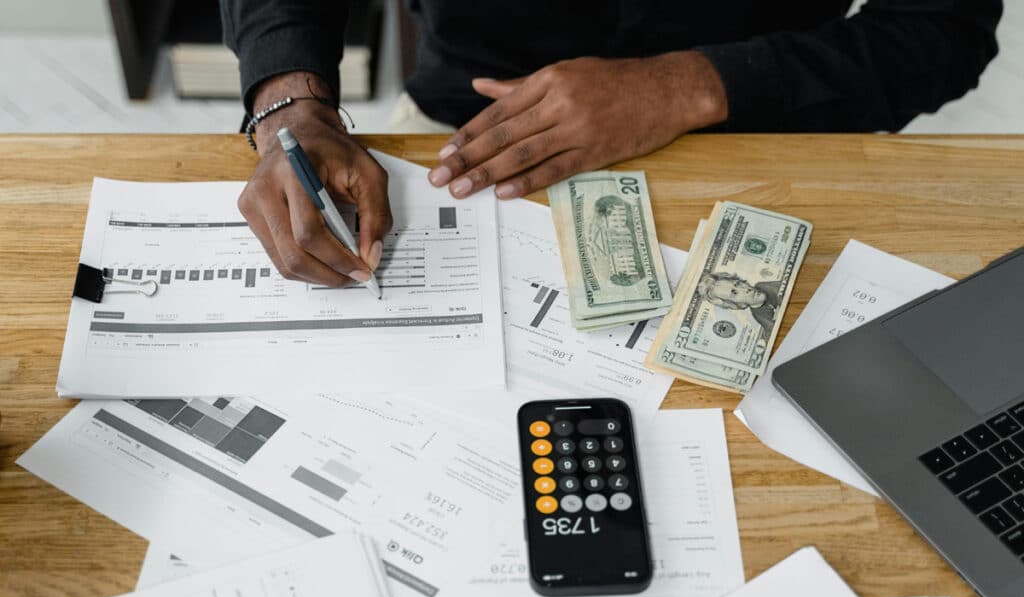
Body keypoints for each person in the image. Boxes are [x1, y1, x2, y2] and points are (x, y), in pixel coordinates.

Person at [221, 0, 1002, 287]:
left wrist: (684, 86)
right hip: (463, 124)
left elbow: (945, 30)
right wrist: (287, 102)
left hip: (759, 124)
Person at [697, 272, 782, 334]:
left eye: (738, 284)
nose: (745, 289)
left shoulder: (763, 286)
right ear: (737, 304)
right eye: (735, 293)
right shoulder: (759, 316)